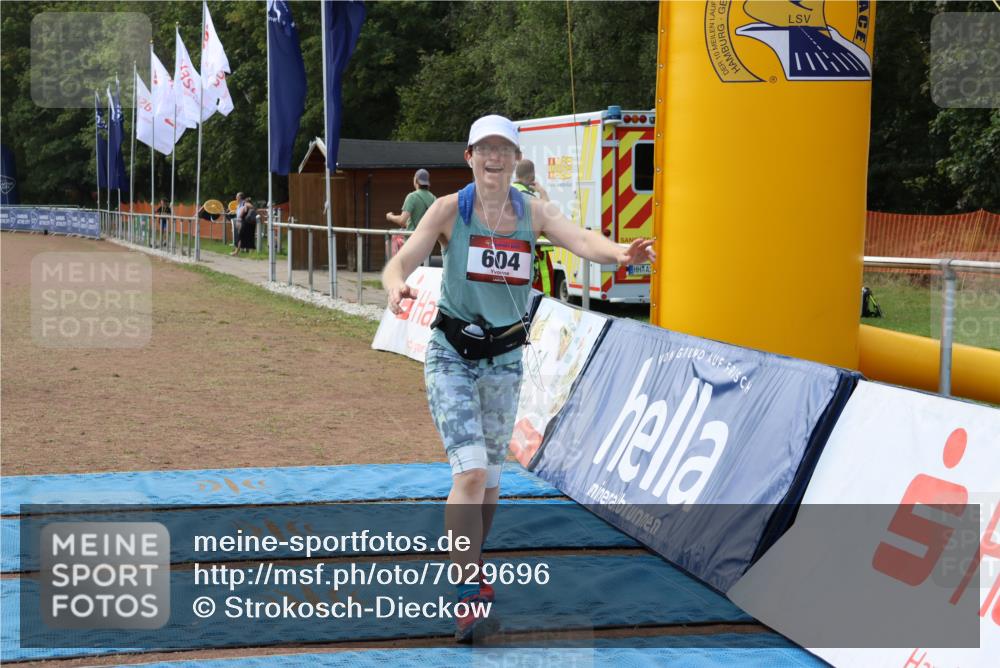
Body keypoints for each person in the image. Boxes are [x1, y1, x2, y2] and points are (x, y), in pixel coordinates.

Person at [381, 115, 655, 643]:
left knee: (489, 482)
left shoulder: (533, 212)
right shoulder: (448, 210)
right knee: (470, 474)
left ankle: (472, 563)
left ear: (514, 159)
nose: (493, 158)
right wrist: (396, 286)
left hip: (505, 360)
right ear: (469, 158)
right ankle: (468, 594)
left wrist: (621, 253)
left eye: (503, 150)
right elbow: (402, 261)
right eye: (484, 149)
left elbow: (582, 240)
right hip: (452, 356)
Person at [386, 169, 436, 256]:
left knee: (390, 240)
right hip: (426, 244)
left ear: (416, 180)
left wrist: (390, 217)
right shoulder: (433, 198)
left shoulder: (412, 197)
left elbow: (402, 221)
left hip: (412, 243)